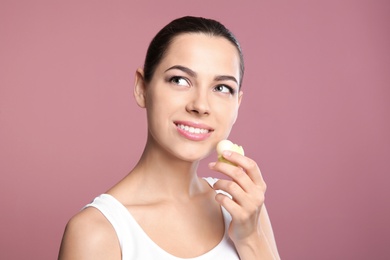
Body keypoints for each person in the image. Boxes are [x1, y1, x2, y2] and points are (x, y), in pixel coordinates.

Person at [58, 16, 280, 260]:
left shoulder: (242, 208)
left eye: (221, 88)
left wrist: (250, 238)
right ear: (142, 88)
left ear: (237, 104)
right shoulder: (97, 232)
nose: (200, 105)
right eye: (180, 80)